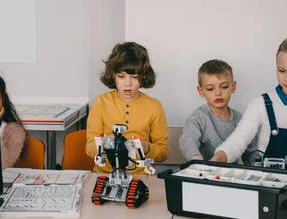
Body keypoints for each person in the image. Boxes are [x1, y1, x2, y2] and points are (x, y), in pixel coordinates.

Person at [211, 34, 287, 168]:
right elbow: (237, 142)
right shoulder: (260, 104)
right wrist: (217, 158)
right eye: (281, 70)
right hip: (267, 183)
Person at [86, 42, 169, 173]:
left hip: (140, 176)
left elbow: (163, 153)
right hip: (104, 175)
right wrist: (106, 143)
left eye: (135, 77)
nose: (128, 84)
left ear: (143, 77)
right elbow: (90, 148)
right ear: (113, 75)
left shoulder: (154, 106)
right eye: (121, 77)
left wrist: (147, 148)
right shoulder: (101, 102)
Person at [179, 59, 255, 162]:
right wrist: (195, 157)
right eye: (210, 89)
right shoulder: (197, 118)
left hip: (230, 176)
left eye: (224, 87)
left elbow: (252, 153)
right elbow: (188, 140)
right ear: (201, 91)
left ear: (233, 87)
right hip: (201, 173)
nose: (218, 93)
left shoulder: (240, 120)